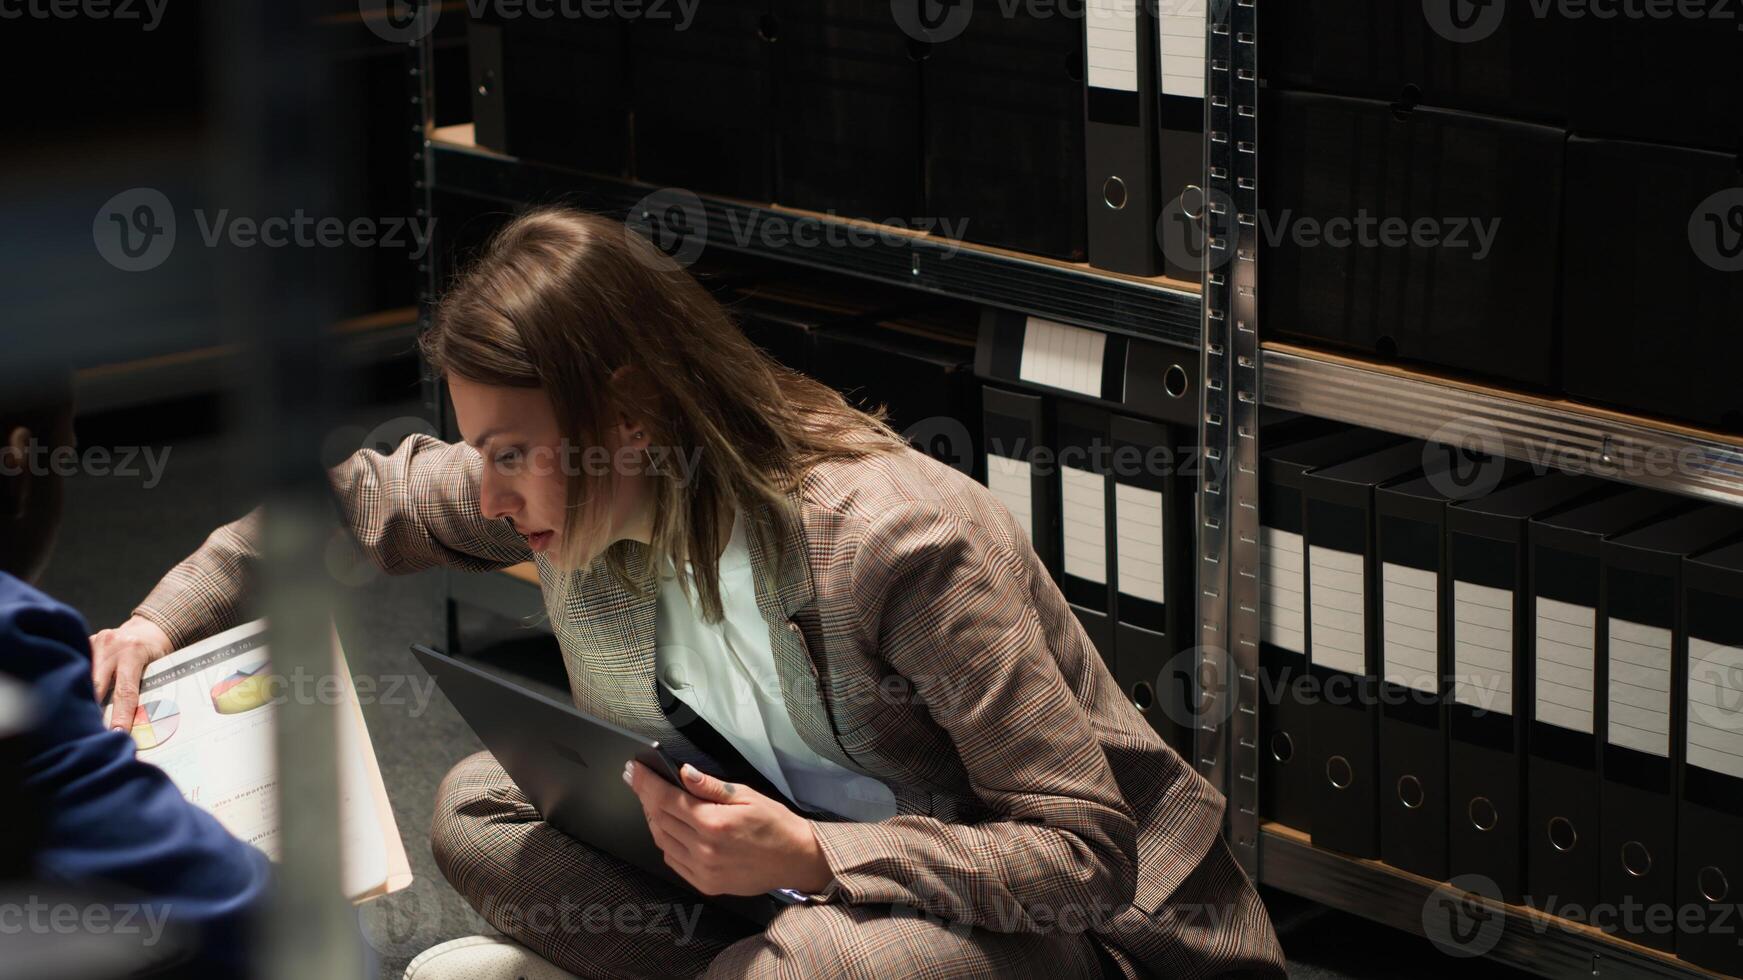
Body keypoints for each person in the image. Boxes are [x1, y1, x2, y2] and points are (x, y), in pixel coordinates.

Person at [92, 207, 1287, 979]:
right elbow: (359, 501)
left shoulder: (896, 538)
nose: (490, 489)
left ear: (628, 414)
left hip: (1058, 925)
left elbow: (1083, 851)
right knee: (475, 806)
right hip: (773, 867)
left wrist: (816, 853)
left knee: (828, 959)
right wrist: (156, 620)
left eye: (513, 448)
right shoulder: (583, 488)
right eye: (483, 449)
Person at [1, 370, 273, 976]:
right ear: (21, 467)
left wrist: (156, 622)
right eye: (64, 457)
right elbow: (226, 911)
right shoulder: (14, 639)